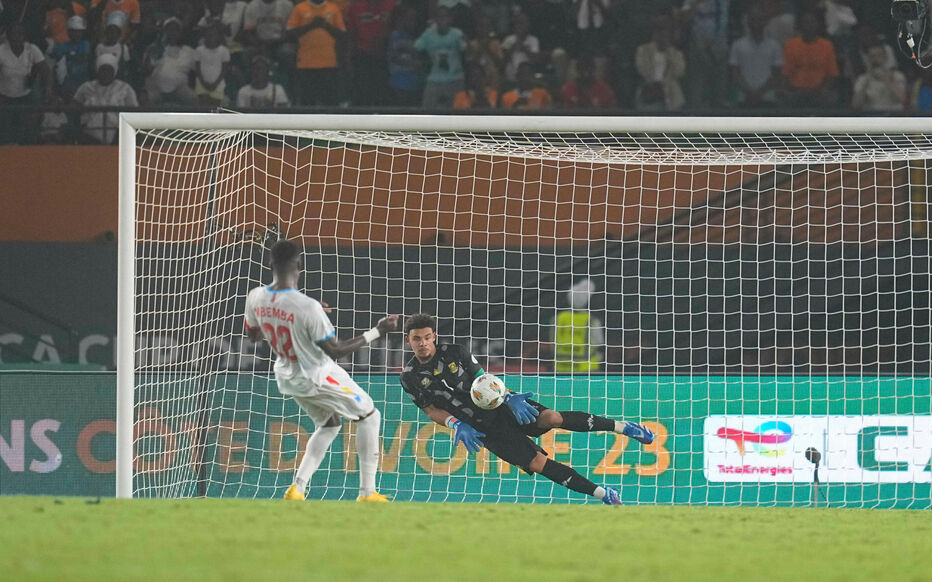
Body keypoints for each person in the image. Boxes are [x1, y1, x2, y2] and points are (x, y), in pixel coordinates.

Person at [398, 313, 654, 505]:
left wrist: (508, 398)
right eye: (417, 339)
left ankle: (623, 427)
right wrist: (456, 423)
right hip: (482, 428)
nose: (423, 343)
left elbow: (485, 380)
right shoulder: (409, 376)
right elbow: (431, 410)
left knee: (552, 418)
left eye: (427, 337)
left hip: (500, 406)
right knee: (538, 463)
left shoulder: (455, 352)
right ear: (408, 340)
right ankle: (603, 494)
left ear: (434, 337)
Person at [244, 239, 399, 502]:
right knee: (370, 415)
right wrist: (378, 331)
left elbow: (254, 336)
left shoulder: (256, 296)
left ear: (271, 264)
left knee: (329, 425)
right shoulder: (307, 307)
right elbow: (336, 350)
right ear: (299, 266)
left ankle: (298, 488)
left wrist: (291, 318)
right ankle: (367, 493)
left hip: (286, 375)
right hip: (315, 373)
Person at [286, 0, 347, 106]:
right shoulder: (300, 8)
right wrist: (311, 25)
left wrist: (325, 25)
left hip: (329, 63)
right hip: (305, 64)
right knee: (308, 103)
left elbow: (342, 34)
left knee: (330, 103)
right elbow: (289, 34)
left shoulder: (333, 8)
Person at [0, 22, 51, 145]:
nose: (17, 37)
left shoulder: (32, 49)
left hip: (27, 97)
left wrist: (48, 90)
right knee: (5, 133)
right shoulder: (1, 51)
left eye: (20, 34)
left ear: (24, 36)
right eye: (14, 34)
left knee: (28, 133)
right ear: (9, 36)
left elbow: (46, 71)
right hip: (4, 97)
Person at [73, 52, 138, 144]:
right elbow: (74, 108)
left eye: (109, 70)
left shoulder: (125, 88)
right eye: (103, 70)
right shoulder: (86, 87)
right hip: (89, 136)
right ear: (97, 70)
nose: (105, 73)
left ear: (114, 71)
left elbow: (133, 112)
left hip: (118, 136)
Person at [781, 11, 838, 108]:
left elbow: (832, 74)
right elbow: (786, 74)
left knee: (832, 98)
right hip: (797, 91)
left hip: (820, 92)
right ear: (801, 25)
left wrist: (821, 89)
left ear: (817, 25)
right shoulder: (790, 45)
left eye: (812, 22)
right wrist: (795, 90)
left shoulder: (827, 45)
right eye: (806, 22)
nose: (809, 25)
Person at [728, 4, 782, 107]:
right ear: (748, 21)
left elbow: (777, 74)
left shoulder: (774, 45)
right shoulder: (738, 45)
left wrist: (760, 92)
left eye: (759, 19)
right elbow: (735, 73)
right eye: (753, 19)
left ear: (765, 21)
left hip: (768, 98)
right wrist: (748, 91)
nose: (756, 23)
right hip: (743, 98)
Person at [345, 0, 396, 106]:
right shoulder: (356, 7)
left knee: (383, 94)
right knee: (362, 94)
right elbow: (351, 35)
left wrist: (384, 37)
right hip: (363, 55)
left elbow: (398, 28)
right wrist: (348, 58)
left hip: (386, 56)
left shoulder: (391, 5)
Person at [414, 6, 466, 108]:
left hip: (455, 79)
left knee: (457, 111)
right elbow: (416, 48)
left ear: (451, 19)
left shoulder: (457, 34)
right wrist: (421, 65)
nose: (442, 19)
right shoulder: (429, 34)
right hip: (435, 79)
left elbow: (465, 50)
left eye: (445, 16)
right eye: (439, 16)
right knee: (428, 110)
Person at [633, 14, 686, 111]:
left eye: (665, 31)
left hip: (671, 94)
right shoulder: (643, 50)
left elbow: (679, 72)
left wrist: (668, 51)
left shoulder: (676, 53)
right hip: (649, 92)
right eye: (659, 31)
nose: (663, 34)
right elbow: (643, 70)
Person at [552, 278, 604, 373]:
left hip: (561, 371)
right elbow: (599, 344)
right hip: (587, 371)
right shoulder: (592, 321)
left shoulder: (558, 318)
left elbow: (552, 343)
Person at [143, 17, 197, 105]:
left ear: (181, 33)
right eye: (169, 30)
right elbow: (146, 71)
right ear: (164, 32)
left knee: (192, 98)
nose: (172, 33)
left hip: (180, 89)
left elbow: (200, 69)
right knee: (146, 99)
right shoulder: (156, 48)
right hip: (156, 87)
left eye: (176, 30)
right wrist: (150, 54)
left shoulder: (189, 51)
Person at [852, 43, 906, 112]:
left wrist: (888, 81)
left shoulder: (897, 76)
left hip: (892, 116)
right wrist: (865, 83)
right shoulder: (862, 79)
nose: (876, 60)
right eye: (872, 56)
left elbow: (902, 99)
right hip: (871, 117)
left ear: (885, 57)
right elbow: (855, 105)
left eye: (879, 56)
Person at [49, 14, 91, 99]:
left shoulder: (86, 44)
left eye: (79, 31)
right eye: (74, 31)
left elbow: (84, 56)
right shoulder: (61, 46)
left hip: (83, 83)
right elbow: (54, 61)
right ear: (68, 32)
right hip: (66, 85)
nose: (76, 34)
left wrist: (69, 56)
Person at [194, 23, 231, 105]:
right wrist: (203, 83)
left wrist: (215, 84)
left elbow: (224, 70)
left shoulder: (224, 51)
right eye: (208, 33)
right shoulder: (199, 50)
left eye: (214, 34)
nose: (211, 36)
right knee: (203, 102)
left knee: (215, 104)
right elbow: (197, 69)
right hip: (201, 83)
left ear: (218, 36)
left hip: (218, 83)